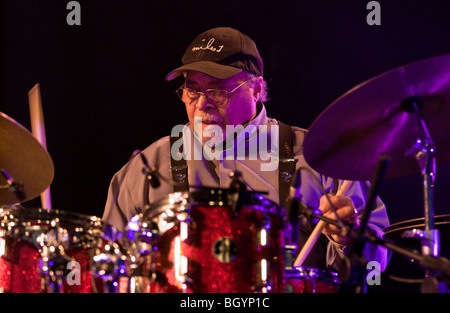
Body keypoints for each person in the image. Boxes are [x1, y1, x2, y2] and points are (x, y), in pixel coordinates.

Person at [102, 27, 390, 291]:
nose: (203, 102)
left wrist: (347, 238)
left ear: (255, 89)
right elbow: (106, 266)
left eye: (217, 89)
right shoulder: (145, 167)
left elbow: (374, 268)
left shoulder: (322, 157)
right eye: (192, 89)